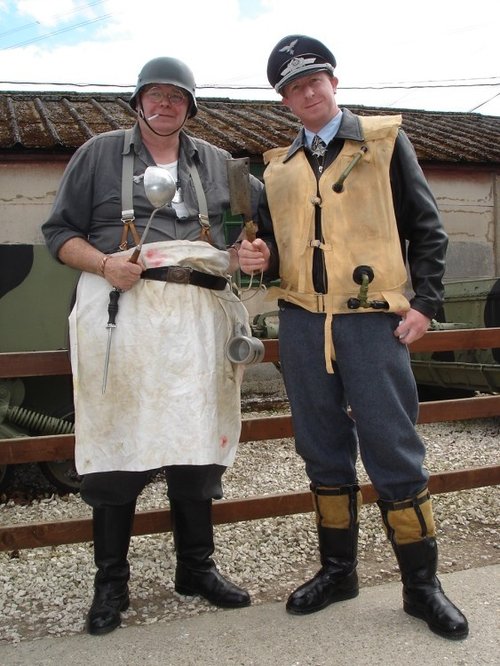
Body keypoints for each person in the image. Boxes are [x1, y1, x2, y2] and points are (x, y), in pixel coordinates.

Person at [238, 35, 468, 640]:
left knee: (393, 447)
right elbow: (274, 247)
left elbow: (426, 227)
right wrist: (256, 256)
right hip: (303, 323)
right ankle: (338, 571)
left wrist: (426, 305)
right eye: (292, 87)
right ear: (283, 100)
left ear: (333, 82)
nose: (305, 92)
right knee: (320, 446)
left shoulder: (385, 143)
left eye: (314, 79)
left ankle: (421, 587)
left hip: (372, 321)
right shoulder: (278, 168)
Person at [42, 56, 262, 636]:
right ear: (138, 101)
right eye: (155, 95)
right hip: (122, 307)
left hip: (199, 315)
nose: (166, 105)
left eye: (177, 97)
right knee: (116, 441)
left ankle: (197, 568)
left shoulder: (219, 163)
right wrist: (105, 261)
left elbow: (261, 226)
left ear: (191, 107)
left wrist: (255, 250)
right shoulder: (96, 154)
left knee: (197, 440)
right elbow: (58, 234)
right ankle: (111, 584)